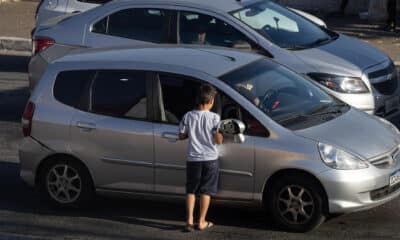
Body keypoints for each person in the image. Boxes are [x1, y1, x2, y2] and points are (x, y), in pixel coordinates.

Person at [179, 84, 223, 232]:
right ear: (211, 101)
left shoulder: (188, 116)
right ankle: (201, 221)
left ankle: (189, 221)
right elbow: (218, 140)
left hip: (193, 159)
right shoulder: (215, 118)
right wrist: (219, 133)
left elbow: (181, 135)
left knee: (191, 190)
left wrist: (190, 134)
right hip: (210, 159)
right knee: (206, 191)